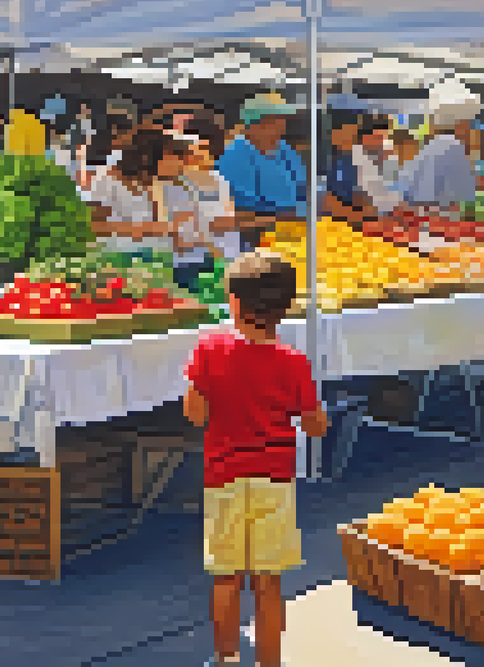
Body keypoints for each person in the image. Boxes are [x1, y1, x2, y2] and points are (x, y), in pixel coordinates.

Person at [182, 250, 328, 667]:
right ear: (285, 309)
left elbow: (195, 414)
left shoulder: (210, 348)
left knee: (226, 579)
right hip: (275, 481)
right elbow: (314, 425)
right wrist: (319, 419)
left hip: (223, 478)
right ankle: (270, 662)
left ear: (234, 301)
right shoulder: (293, 362)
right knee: (268, 584)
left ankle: (226, 658)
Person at [218, 96, 308, 252]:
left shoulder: (284, 150)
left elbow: (301, 188)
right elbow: (241, 213)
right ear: (253, 125)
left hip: (292, 231)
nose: (281, 127)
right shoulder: (236, 156)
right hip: (255, 238)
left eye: (282, 120)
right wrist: (281, 220)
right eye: (273, 121)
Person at [88, 125, 189, 258]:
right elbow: (95, 226)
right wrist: (144, 229)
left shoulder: (157, 184)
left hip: (155, 257)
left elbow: (171, 227)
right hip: (116, 256)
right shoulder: (106, 179)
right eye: (174, 158)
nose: (180, 167)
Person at [160, 122, 238, 292]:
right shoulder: (167, 186)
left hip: (222, 258)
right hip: (186, 263)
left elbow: (230, 221)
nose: (196, 154)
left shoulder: (218, 180)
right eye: (185, 152)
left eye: (200, 148)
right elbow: (178, 235)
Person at [399, 114, 476, 213]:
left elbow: (406, 184)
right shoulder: (454, 146)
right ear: (460, 125)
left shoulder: (428, 147)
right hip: (440, 215)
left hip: (419, 212)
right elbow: (466, 195)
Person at [320, 110, 376, 225]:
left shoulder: (350, 158)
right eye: (347, 138)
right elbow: (326, 202)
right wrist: (356, 216)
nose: (351, 143)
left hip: (349, 223)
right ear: (333, 134)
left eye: (354, 137)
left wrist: (366, 207)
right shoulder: (323, 160)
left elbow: (357, 193)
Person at [353, 114, 405, 218]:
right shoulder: (355, 155)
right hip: (365, 214)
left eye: (384, 138)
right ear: (364, 138)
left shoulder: (389, 150)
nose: (381, 142)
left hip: (392, 211)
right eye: (377, 138)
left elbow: (396, 184)